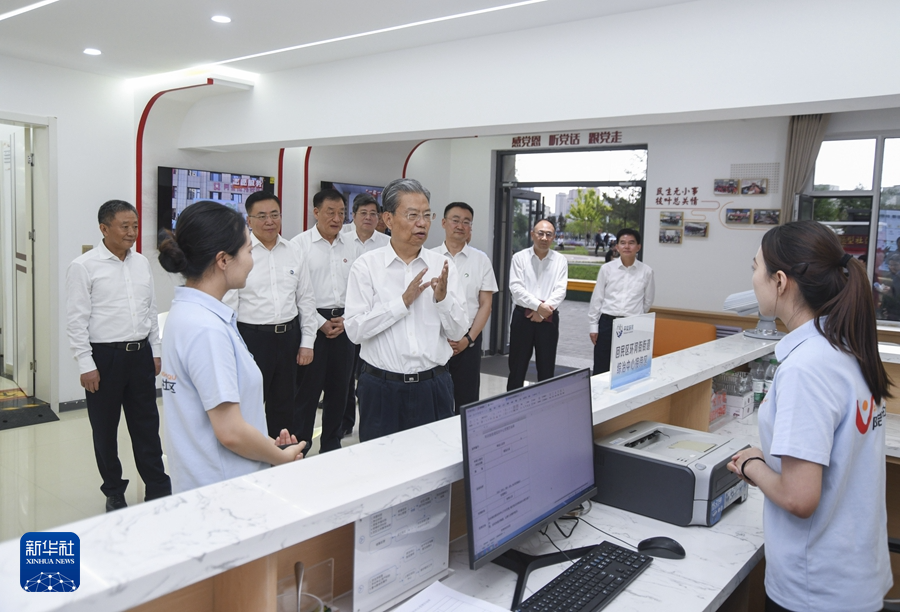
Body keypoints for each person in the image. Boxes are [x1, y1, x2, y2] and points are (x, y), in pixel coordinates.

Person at [727, 221, 892, 612]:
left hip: (816, 588)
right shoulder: (846, 346)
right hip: (855, 573)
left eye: (755, 268)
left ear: (780, 281)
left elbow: (799, 498)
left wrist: (751, 465)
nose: (753, 279)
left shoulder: (807, 368)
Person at [158, 201, 305, 494]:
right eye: (249, 251)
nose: (252, 261)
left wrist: (267, 445)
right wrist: (281, 458)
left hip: (206, 478)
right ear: (223, 260)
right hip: (224, 487)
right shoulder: (206, 329)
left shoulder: (190, 313)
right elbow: (231, 432)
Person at [65, 200, 171, 512]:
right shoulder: (84, 266)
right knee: (105, 430)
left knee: (146, 426)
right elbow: (76, 321)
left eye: (135, 226)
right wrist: (86, 364)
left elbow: (150, 309)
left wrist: (155, 350)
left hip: (140, 356)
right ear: (104, 228)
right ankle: (113, 490)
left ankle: (158, 487)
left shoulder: (141, 263)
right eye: (124, 226)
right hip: (104, 358)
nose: (131, 232)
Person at [344, 178, 468, 441]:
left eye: (426, 215)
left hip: (433, 387)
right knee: (381, 462)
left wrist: (442, 300)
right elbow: (354, 330)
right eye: (412, 215)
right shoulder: (366, 266)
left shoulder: (442, 266)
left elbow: (458, 332)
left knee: (436, 460)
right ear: (388, 219)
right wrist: (401, 303)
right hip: (381, 389)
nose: (422, 223)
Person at [223, 192, 316, 438]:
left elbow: (306, 299)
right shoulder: (238, 254)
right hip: (251, 339)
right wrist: (233, 349)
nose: (269, 221)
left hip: (289, 338)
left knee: (285, 407)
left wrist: (307, 342)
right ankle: (251, 455)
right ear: (249, 220)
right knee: (250, 405)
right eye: (262, 216)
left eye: (275, 215)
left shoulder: (294, 251)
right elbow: (229, 308)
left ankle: (281, 455)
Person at [291, 189, 359, 454]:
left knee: (340, 389)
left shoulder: (352, 245)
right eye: (331, 212)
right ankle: (300, 445)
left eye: (342, 213)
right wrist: (320, 322)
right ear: (316, 212)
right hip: (311, 324)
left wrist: (347, 318)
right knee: (307, 391)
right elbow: (296, 293)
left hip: (345, 323)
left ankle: (332, 444)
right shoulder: (299, 245)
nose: (337, 218)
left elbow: (361, 288)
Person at [433, 202, 498, 411]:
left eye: (466, 222)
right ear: (444, 223)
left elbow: (486, 304)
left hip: (468, 341)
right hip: (435, 340)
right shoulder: (429, 258)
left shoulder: (481, 260)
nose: (460, 226)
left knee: (467, 402)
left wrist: (468, 339)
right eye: (455, 220)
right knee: (435, 401)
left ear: (471, 227)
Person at [342, 193, 390, 437]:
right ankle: (345, 421)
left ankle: (367, 419)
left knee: (368, 373)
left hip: (378, 318)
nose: (369, 218)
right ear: (353, 215)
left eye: (374, 214)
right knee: (344, 377)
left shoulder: (387, 243)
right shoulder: (341, 240)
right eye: (364, 213)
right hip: (346, 317)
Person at [507, 219, 567, 390]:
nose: (544, 238)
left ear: (554, 237)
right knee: (517, 368)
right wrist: (538, 307)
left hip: (548, 319)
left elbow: (560, 290)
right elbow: (516, 288)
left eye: (549, 234)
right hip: (522, 318)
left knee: (546, 369)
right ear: (532, 234)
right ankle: (512, 403)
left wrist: (542, 312)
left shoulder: (560, 260)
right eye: (540, 233)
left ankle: (545, 404)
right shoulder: (519, 258)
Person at [588, 228, 654, 375]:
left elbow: (648, 300)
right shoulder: (606, 269)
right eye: (623, 243)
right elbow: (597, 298)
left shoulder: (647, 271)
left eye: (631, 243)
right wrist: (593, 326)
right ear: (617, 246)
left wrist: (635, 316)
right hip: (607, 323)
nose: (627, 246)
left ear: (638, 247)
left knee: (629, 369)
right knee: (601, 367)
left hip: (632, 324)